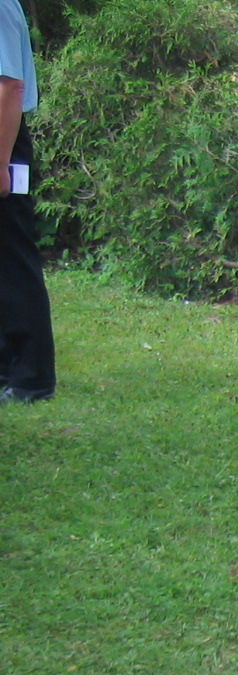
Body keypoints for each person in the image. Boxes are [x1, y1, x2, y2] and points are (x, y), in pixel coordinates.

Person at [1, 0, 53, 403]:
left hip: (4, 143)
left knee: (13, 254)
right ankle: (7, 367)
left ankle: (31, 377)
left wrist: (0, 161)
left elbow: (9, 87)